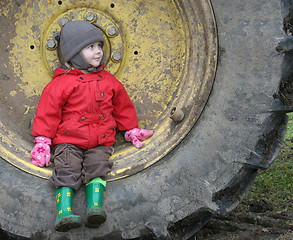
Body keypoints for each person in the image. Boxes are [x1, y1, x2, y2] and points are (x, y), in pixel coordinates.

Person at [30, 20, 155, 232]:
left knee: (98, 168)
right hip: (69, 141)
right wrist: (42, 140)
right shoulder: (61, 84)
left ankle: (95, 209)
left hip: (100, 142)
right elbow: (47, 112)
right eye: (90, 47)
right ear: (74, 54)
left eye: (99, 46)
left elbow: (122, 106)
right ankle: (64, 213)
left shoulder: (109, 80)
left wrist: (130, 129)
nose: (98, 51)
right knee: (67, 170)